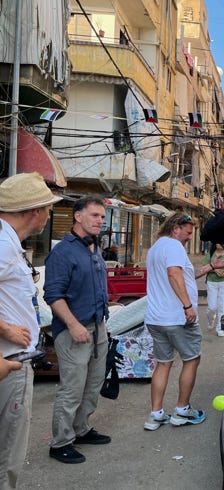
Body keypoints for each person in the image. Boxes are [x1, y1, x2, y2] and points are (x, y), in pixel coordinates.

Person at [0, 172, 62, 487]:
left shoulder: (9, 242)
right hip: (9, 361)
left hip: (13, 359)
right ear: (35, 211)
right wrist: (6, 329)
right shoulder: (3, 244)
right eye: (48, 209)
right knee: (7, 453)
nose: (49, 215)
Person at [44, 195, 111, 464]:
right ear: (78, 216)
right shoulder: (63, 252)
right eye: (95, 215)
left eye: (102, 217)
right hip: (74, 330)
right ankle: (60, 443)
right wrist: (73, 325)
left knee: (93, 384)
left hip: (98, 326)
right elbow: (53, 295)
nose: (100, 221)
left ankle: (81, 429)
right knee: (72, 389)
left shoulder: (95, 247)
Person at [143, 213, 206, 431]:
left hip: (156, 318)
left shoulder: (156, 248)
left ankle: (156, 415)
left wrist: (208, 268)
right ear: (175, 228)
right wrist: (187, 306)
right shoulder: (174, 245)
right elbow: (173, 273)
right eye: (188, 232)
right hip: (177, 318)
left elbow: (182, 275)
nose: (189, 237)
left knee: (163, 363)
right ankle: (182, 410)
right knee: (192, 359)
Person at [201, 243, 224, 337]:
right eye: (217, 242)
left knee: (222, 306)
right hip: (212, 282)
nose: (219, 244)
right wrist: (215, 270)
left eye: (221, 242)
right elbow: (204, 266)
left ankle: (220, 328)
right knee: (212, 307)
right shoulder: (211, 253)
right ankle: (211, 320)